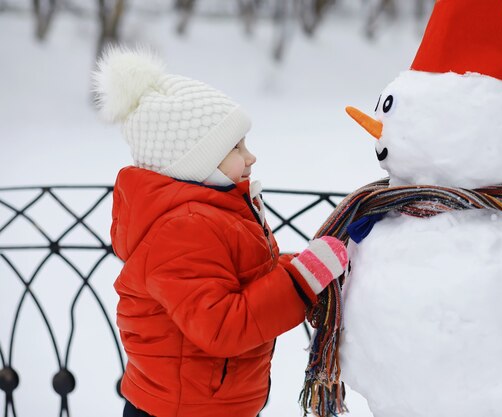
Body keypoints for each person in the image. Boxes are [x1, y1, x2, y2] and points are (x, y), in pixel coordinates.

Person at [93, 46, 348, 417]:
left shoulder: (215, 211)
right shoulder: (183, 228)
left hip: (207, 402)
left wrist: (304, 267)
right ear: (195, 162)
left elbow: (246, 282)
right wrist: (300, 281)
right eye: (235, 147)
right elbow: (222, 326)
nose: (251, 157)